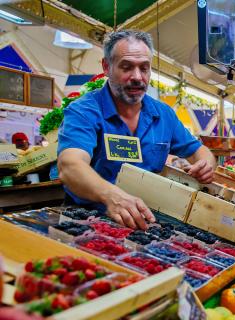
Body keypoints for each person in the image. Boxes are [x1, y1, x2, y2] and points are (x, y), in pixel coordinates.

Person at [57, 30, 215, 230]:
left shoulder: (163, 115)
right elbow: (70, 166)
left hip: (145, 221)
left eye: (144, 68)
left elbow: (201, 152)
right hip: (88, 221)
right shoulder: (84, 111)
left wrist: (206, 165)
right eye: (126, 67)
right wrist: (110, 196)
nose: (137, 77)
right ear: (107, 66)